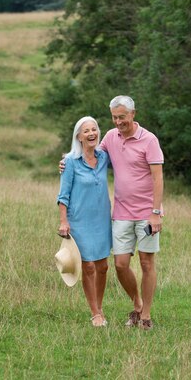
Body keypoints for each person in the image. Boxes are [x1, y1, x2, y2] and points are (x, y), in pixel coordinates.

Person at [60, 96, 164, 330]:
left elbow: (158, 178)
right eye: (114, 117)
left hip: (147, 212)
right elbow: (90, 154)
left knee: (147, 263)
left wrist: (156, 212)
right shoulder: (110, 137)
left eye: (122, 117)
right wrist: (65, 161)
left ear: (133, 114)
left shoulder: (149, 140)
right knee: (120, 264)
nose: (118, 122)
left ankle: (144, 315)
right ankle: (136, 304)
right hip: (121, 213)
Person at [57, 116, 113, 327]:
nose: (91, 134)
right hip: (79, 220)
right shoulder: (70, 162)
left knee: (103, 266)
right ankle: (95, 312)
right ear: (79, 137)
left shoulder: (104, 157)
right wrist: (63, 221)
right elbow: (63, 195)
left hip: (101, 219)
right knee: (88, 266)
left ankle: (100, 306)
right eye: (86, 131)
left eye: (94, 130)